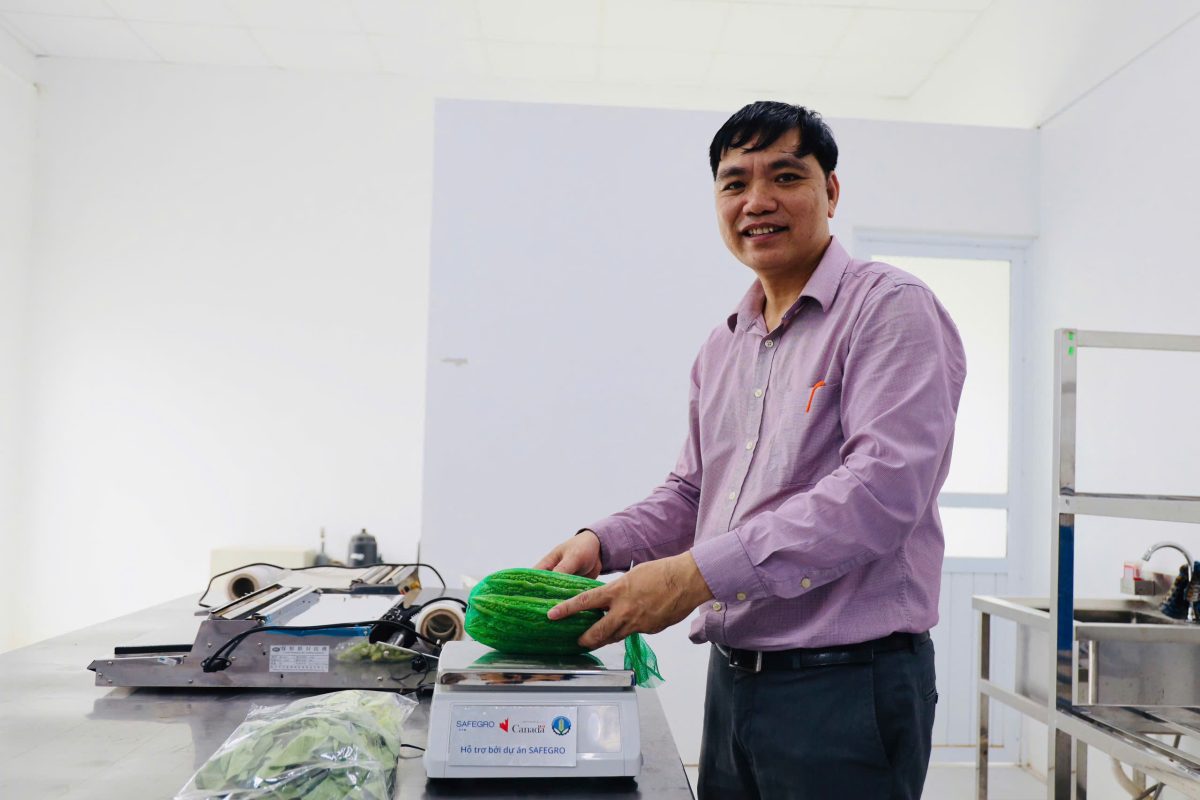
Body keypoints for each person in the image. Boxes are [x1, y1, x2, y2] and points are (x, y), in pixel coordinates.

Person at [534, 100, 966, 799]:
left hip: (848, 690)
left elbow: (881, 491)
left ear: (830, 190)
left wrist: (691, 577)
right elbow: (693, 491)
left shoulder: (889, 306)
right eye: (734, 183)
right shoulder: (724, 344)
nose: (757, 202)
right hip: (735, 681)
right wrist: (603, 541)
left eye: (785, 177)